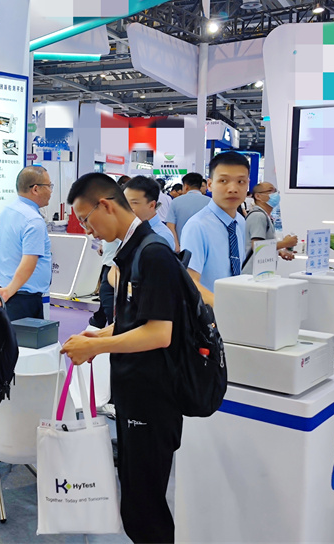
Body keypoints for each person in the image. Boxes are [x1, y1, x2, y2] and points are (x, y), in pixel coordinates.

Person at [62, 173, 188, 544]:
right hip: (135, 394)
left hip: (153, 398)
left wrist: (96, 348)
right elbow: (136, 321)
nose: (87, 230)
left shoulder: (153, 253)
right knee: (135, 499)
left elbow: (159, 333)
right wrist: (99, 335)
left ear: (105, 205)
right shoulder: (132, 251)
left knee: (146, 506)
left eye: (86, 219)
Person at [180, 151, 250, 306]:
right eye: (223, 181)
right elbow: (190, 282)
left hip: (236, 307)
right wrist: (224, 307)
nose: (233, 189)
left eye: (241, 181)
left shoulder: (240, 222)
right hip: (210, 312)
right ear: (210, 185)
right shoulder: (197, 226)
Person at [0, 166, 52, 321]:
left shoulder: (5, 212)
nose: (51, 191)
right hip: (24, 298)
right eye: (49, 186)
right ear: (35, 189)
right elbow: (28, 263)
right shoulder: (34, 220)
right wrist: (9, 291)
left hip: (7, 293)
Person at [242, 182, 297, 273]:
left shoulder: (265, 216)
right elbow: (257, 246)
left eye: (275, 191)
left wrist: (279, 252)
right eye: (270, 191)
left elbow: (265, 243)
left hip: (262, 272)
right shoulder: (258, 216)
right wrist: (285, 243)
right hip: (252, 273)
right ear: (258, 196)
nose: (275, 194)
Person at [124, 176, 176, 250]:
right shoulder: (132, 229)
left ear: (152, 205)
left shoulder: (160, 237)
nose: (127, 207)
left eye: (134, 203)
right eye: (125, 202)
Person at [164, 172, 209, 252]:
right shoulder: (210, 202)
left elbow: (170, 226)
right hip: (204, 248)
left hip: (182, 248)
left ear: (186, 186)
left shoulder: (175, 202)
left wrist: (176, 246)